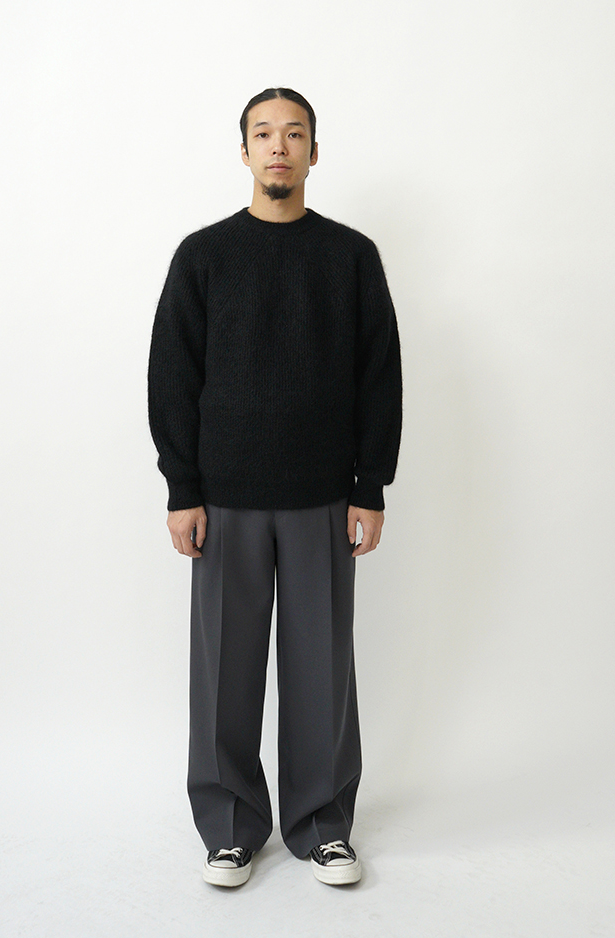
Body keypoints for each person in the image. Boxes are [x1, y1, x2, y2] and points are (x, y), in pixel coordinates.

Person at [148, 88, 402, 887]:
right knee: (224, 672)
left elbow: (379, 377)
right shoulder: (204, 255)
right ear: (245, 151)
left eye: (295, 134)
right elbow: (172, 375)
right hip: (224, 500)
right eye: (264, 134)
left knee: (321, 670)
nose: (279, 146)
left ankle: (323, 826)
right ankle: (229, 827)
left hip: (324, 498)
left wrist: (371, 486)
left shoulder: (350, 256)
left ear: (314, 153)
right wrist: (182, 488)